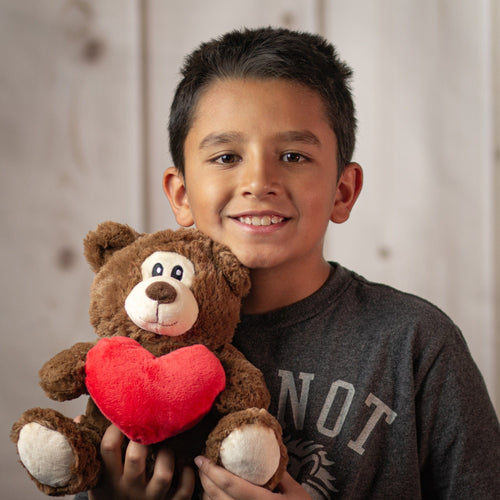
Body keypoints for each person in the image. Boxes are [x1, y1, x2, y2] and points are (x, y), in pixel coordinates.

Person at [77, 27, 500, 499]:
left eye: (294, 155)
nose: (259, 181)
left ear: (343, 191)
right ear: (181, 195)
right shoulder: (138, 343)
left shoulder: (415, 342)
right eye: (226, 156)